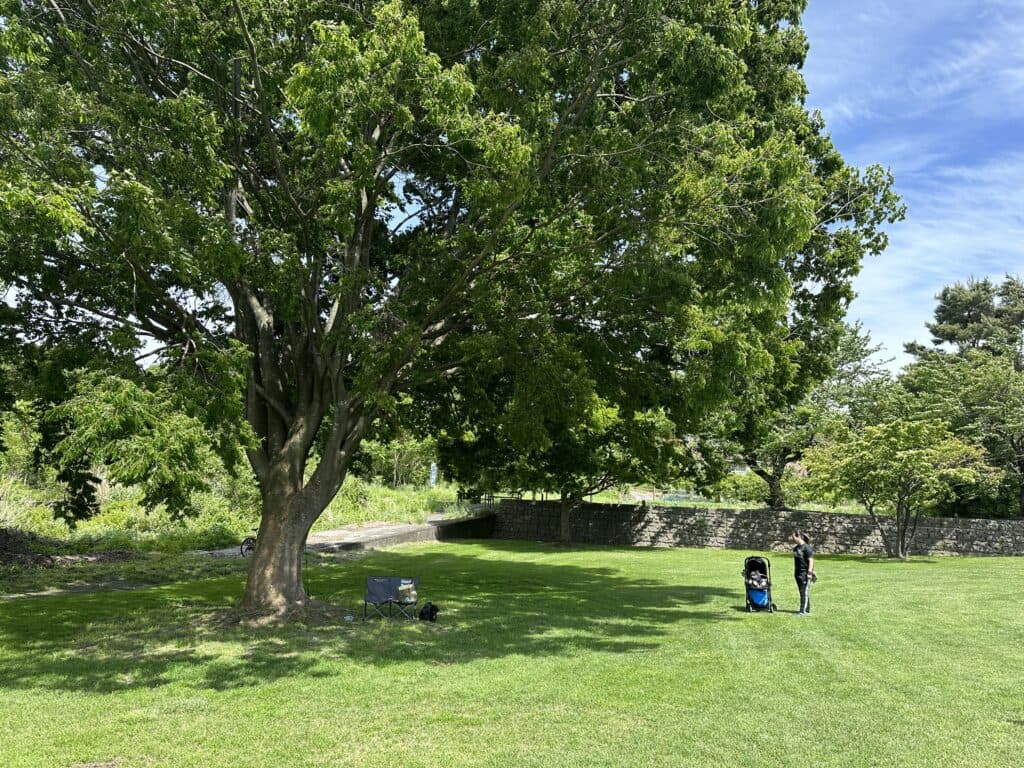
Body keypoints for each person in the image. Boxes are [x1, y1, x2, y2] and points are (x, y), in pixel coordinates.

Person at [791, 530, 815, 616]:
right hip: (797, 573)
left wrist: (810, 572)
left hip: (805, 573)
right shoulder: (796, 548)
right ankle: (807, 608)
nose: (792, 539)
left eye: (794, 537)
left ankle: (802, 611)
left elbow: (811, 561)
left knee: (803, 592)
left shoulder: (807, 548)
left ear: (798, 537)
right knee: (803, 592)